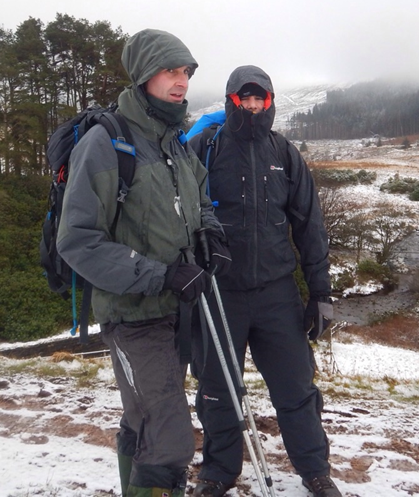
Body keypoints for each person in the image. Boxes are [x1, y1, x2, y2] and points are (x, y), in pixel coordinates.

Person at [57, 28, 225, 497]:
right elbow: (78, 240)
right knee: (169, 438)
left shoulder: (174, 142)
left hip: (176, 312)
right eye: (170, 71)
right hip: (133, 315)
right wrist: (162, 275)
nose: (181, 81)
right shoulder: (106, 142)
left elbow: (200, 200)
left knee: (144, 419)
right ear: (144, 75)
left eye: (186, 72)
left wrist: (211, 234)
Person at [188, 65, 341, 497]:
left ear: (269, 102)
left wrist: (320, 292)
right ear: (231, 100)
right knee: (218, 391)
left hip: (277, 293)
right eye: (246, 98)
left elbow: (309, 225)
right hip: (219, 293)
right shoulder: (204, 149)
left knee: (296, 389)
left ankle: (315, 470)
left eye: (261, 98)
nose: (253, 106)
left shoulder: (284, 153)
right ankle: (219, 472)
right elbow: (179, 214)